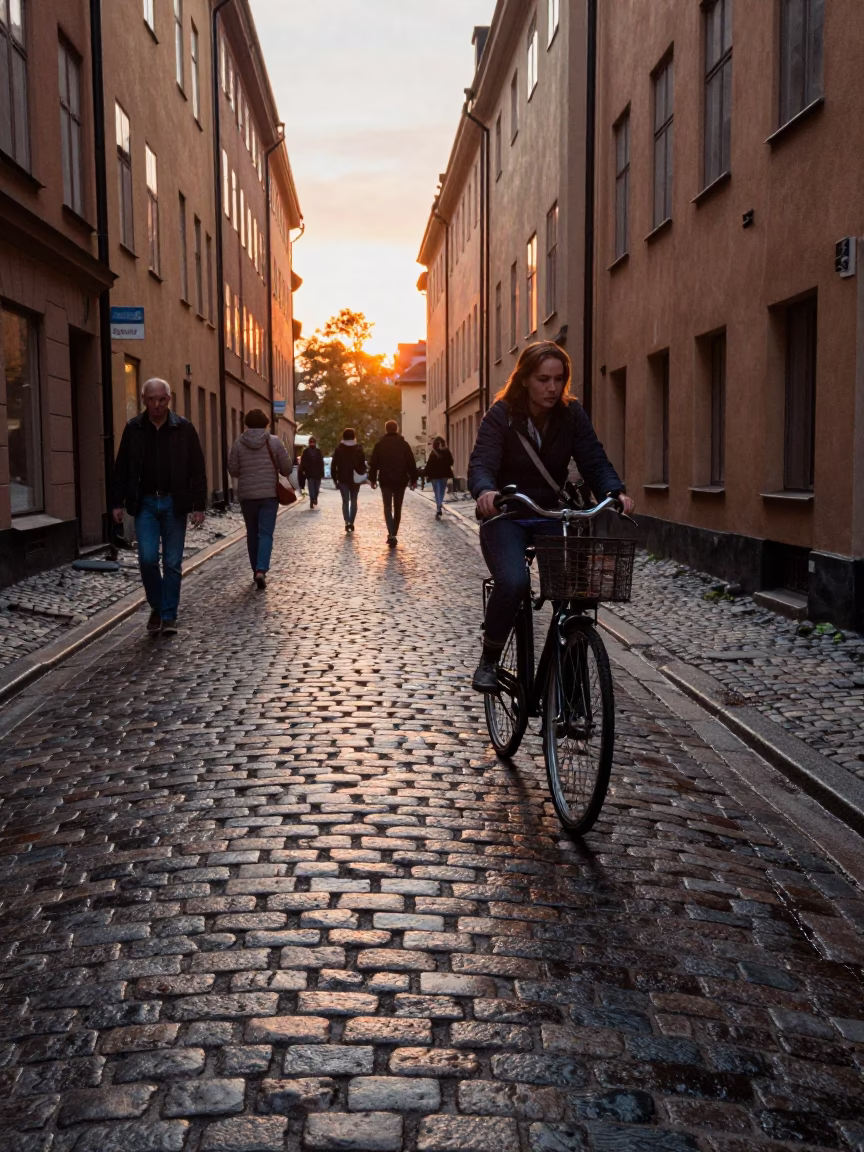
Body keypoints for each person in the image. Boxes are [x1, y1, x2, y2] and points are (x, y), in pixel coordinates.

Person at [467, 341, 636, 692]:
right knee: (513, 582)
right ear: (525, 379)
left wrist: (614, 491)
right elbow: (482, 462)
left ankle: (573, 691)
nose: (552, 388)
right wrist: (485, 492)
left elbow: (593, 459)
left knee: (574, 595)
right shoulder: (501, 415)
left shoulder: (571, 414)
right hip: (508, 514)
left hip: (553, 515)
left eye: (559, 379)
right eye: (544, 379)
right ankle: (490, 659)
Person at [112, 377, 207, 636]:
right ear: (144, 400)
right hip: (144, 504)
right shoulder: (134, 429)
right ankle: (156, 605)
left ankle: (168, 616)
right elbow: (121, 469)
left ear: (169, 399)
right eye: (151, 399)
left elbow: (197, 468)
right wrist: (116, 503)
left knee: (173, 562)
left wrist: (199, 505)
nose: (157, 404)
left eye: (161, 399)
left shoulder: (183, 428)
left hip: (174, 503)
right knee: (147, 559)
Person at [227, 409, 293, 590]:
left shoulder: (239, 443)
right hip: (269, 495)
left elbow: (232, 469)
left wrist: (247, 472)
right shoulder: (274, 442)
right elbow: (287, 467)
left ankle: (254, 568)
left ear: (246, 423)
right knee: (265, 533)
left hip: (247, 495)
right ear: (266, 423)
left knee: (252, 532)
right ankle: (261, 570)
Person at [369, 420, 419, 547]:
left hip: (385, 480)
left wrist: (373, 479)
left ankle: (391, 532)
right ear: (396, 429)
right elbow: (411, 463)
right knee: (398, 507)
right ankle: (393, 532)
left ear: (386, 430)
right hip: (400, 480)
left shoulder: (379, 445)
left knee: (387, 506)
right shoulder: (404, 445)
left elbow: (374, 463)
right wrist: (414, 479)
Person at [331, 427, 367, 533]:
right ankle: (352, 522)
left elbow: (334, 465)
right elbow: (363, 464)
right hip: (355, 479)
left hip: (342, 479)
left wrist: (335, 479)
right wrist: (362, 474)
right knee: (354, 500)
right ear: (354, 437)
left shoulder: (339, 449)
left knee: (345, 501)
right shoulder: (358, 448)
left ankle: (346, 521)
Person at [423, 436, 454, 519]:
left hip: (435, 476)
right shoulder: (447, 452)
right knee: (442, 491)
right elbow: (451, 462)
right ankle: (439, 504)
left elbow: (429, 465)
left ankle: (438, 506)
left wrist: (425, 473)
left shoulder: (433, 453)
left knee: (437, 491)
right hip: (444, 475)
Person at [300, 437, 325, 509]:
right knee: (311, 488)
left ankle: (315, 498)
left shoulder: (318, 451)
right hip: (309, 472)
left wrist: (322, 472)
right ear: (309, 443)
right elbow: (303, 462)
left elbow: (321, 462)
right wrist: (303, 470)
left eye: (313, 442)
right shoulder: (306, 452)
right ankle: (312, 499)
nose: (312, 444)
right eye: (311, 442)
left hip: (317, 473)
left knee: (316, 488)